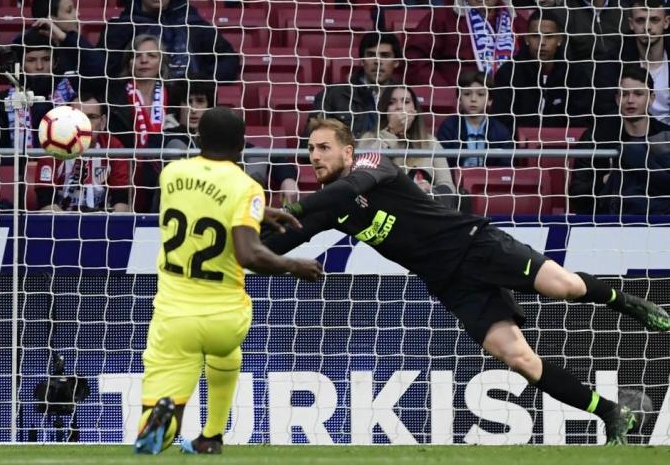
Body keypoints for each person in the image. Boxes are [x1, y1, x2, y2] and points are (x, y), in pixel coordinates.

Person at [265, 117, 670, 446]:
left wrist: (291, 205)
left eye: (323, 148)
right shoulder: (330, 209)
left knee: (564, 286)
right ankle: (613, 413)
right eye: (311, 149)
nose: (314, 156)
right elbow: (277, 242)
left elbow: (347, 191)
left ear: (347, 151)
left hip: (476, 244)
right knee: (518, 359)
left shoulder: (373, 164)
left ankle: (630, 303)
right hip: (450, 282)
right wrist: (241, 234)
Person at [133, 107, 322, 455]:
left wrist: (255, 211)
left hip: (174, 317)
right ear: (241, 145)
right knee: (227, 354)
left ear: (199, 138)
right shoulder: (245, 186)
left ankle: (162, 422)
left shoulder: (172, 173)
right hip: (226, 317)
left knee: (165, 403)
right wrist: (294, 265)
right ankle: (211, 437)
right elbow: (250, 254)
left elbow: (200, 204)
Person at [164, 76, 300, 204]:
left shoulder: (220, 135)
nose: (193, 109)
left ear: (210, 106)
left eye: (200, 101)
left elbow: (272, 157)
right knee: (176, 147)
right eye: (187, 101)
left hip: (224, 198)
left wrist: (287, 179)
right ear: (178, 106)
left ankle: (248, 202)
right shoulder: (165, 137)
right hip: (185, 201)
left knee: (257, 155)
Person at [570, 66, 670, 214]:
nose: (630, 100)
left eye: (638, 94)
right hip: (606, 221)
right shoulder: (595, 137)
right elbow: (577, 194)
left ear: (652, 98)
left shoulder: (666, 136)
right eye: (624, 94)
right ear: (617, 99)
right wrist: (604, 181)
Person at [99, 0, 239, 80]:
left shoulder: (193, 23)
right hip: (138, 100)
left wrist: (201, 82)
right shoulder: (120, 27)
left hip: (187, 99)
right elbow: (104, 70)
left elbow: (228, 59)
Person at [492, 9, 596, 132]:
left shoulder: (576, 75)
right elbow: (501, 121)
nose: (542, 43)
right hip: (518, 148)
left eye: (549, 36)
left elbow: (582, 122)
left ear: (559, 40)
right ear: (526, 39)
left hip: (565, 148)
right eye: (536, 36)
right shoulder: (508, 73)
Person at [404, 0, 528, 87]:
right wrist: (446, 91)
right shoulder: (442, 17)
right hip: (458, 104)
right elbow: (415, 58)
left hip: (507, 102)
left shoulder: (515, 21)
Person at [107, 34, 174, 212]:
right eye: (137, 56)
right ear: (129, 62)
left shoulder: (177, 95)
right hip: (125, 173)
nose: (144, 61)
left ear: (162, 62)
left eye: (152, 56)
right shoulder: (113, 97)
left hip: (167, 176)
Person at [34, 92, 130, 212]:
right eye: (78, 117)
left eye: (91, 117)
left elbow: (122, 205)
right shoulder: (53, 145)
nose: (83, 123)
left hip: (102, 223)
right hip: (60, 223)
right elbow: (46, 205)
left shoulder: (114, 147)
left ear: (103, 122)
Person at [0, 29, 55, 165]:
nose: (40, 67)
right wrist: (25, 162)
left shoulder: (70, 100)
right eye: (31, 60)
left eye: (46, 59)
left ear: (56, 62)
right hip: (15, 180)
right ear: (21, 66)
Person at [359, 85, 457, 199]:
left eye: (406, 102)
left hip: (422, 207)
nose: (399, 107)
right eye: (392, 102)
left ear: (415, 110)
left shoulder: (430, 142)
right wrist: (391, 131)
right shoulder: (369, 139)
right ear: (385, 109)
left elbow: (448, 186)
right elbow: (366, 172)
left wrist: (431, 190)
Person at [305, 32, 402, 142]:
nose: (377, 62)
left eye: (385, 56)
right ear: (361, 61)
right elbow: (309, 143)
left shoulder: (406, 98)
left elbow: (417, 140)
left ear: (396, 62)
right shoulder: (332, 95)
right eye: (371, 55)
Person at [437, 70, 513, 168]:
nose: (473, 99)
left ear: (490, 100)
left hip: (490, 181)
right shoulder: (448, 127)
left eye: (480, 94)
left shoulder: (501, 131)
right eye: (467, 94)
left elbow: (505, 167)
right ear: (459, 99)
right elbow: (443, 164)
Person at [27, 0, 105, 79]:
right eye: (69, 10)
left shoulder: (75, 44)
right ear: (51, 19)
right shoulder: (32, 47)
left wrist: (65, 37)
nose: (77, 14)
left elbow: (102, 70)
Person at [622, 0, 670, 125]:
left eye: (654, 20)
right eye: (640, 20)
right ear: (631, 24)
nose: (647, 27)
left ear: (666, 22)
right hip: (633, 137)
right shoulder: (614, 61)